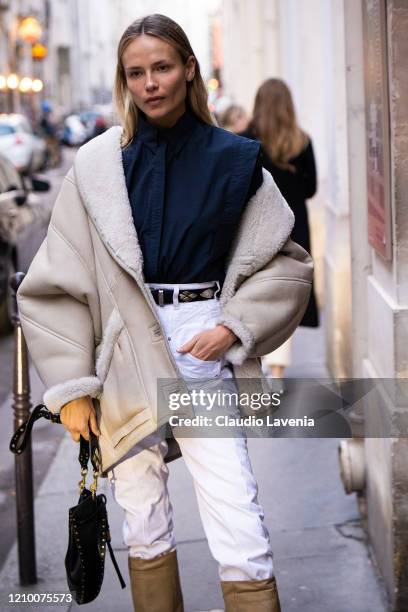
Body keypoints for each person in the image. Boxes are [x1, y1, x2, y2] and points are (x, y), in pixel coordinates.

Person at [16, 15, 314, 612]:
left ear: (188, 70)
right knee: (141, 515)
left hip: (199, 342)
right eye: (136, 73)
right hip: (123, 347)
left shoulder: (235, 159)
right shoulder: (98, 168)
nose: (150, 83)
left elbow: (285, 263)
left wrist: (232, 327)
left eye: (162, 67)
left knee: (238, 515)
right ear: (124, 82)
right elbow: (59, 284)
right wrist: (73, 389)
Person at [240, 78, 319, 386]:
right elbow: (310, 189)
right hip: (295, 228)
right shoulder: (302, 142)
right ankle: (278, 370)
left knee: (258, 293)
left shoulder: (246, 143)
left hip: (258, 229)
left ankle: (259, 359)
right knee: (285, 296)